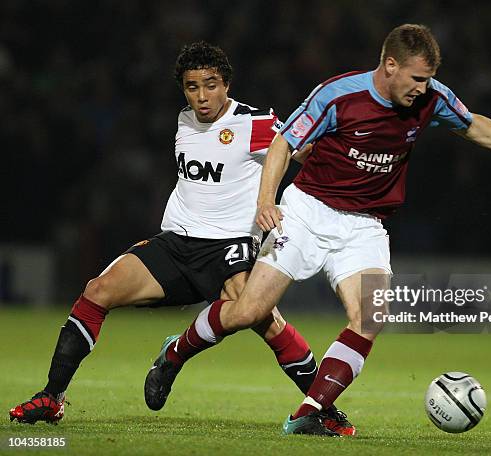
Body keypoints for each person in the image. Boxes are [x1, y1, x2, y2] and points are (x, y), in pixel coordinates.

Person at [150, 25, 491, 437]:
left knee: (371, 317)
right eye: (417, 77)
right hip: (306, 212)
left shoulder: (431, 97)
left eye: (429, 78)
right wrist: (267, 201)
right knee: (247, 312)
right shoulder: (339, 95)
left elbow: (472, 124)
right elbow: (283, 142)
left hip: (365, 225)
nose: (423, 87)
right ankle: (175, 352)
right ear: (391, 65)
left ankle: (309, 412)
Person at [8, 41, 355, 436]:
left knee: (263, 318)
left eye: (211, 85)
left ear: (226, 83)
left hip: (230, 246)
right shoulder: (184, 120)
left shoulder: (257, 122)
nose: (202, 96)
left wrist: (347, 182)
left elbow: (308, 152)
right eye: (192, 87)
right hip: (177, 241)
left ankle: (317, 408)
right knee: (97, 290)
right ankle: (52, 398)